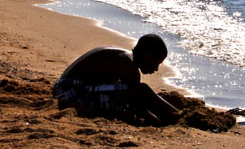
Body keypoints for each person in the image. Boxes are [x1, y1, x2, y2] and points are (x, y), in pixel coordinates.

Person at [51, 34, 180, 125]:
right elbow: (138, 102)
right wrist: (157, 122)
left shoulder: (124, 57)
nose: (156, 69)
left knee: (131, 91)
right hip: (70, 93)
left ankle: (173, 115)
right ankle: (178, 116)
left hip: (65, 87)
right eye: (156, 63)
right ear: (147, 56)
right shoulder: (127, 64)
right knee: (142, 90)